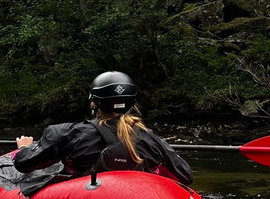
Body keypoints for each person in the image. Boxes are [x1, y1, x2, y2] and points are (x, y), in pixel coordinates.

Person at [13, 71, 193, 184]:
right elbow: (185, 175)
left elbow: (24, 164)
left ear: (94, 103)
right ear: (131, 104)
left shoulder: (69, 133)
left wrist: (24, 149)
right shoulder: (150, 138)